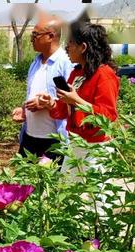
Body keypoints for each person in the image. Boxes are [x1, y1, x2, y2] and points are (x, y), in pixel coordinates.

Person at [37, 21, 119, 163]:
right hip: (76, 143)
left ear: (83, 47)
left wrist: (76, 101)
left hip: (96, 148)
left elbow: (108, 116)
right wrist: (51, 104)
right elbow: (64, 110)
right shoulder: (77, 73)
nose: (66, 47)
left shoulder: (104, 74)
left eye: (70, 43)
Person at [12, 14, 73, 163]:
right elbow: (31, 93)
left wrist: (46, 104)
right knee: (24, 184)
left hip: (53, 140)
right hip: (29, 137)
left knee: (50, 185)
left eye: (35, 35)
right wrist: (24, 110)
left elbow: (73, 101)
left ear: (50, 36)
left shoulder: (65, 63)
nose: (32, 39)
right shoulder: (36, 62)